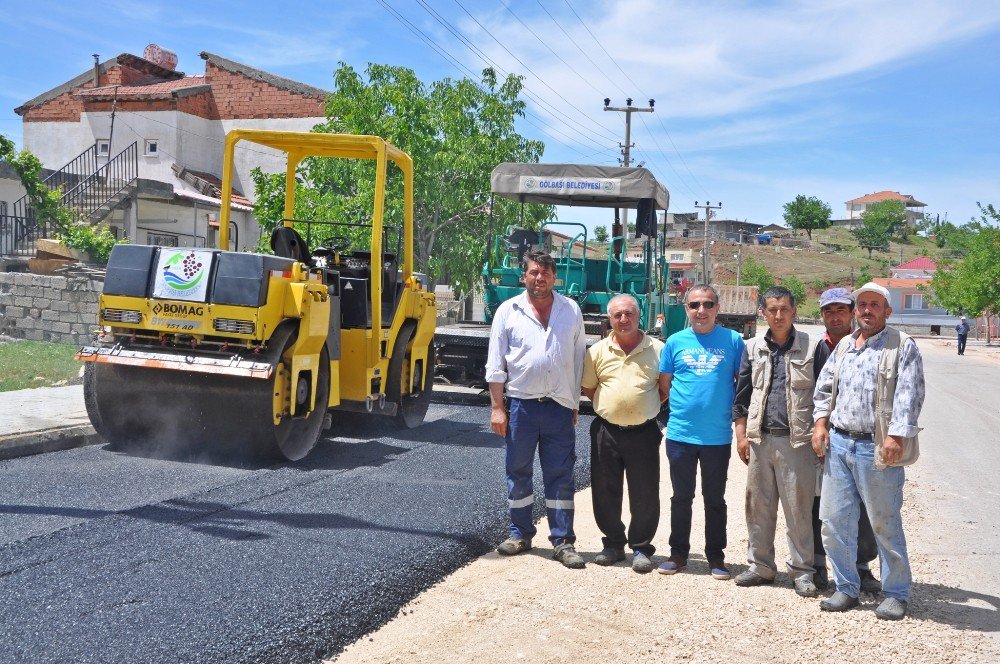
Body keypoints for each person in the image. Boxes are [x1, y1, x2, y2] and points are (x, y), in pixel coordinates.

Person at [813, 282, 925, 620]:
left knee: (884, 522)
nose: (867, 310)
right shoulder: (846, 345)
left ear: (887, 312)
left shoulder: (902, 345)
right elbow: (824, 387)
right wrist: (820, 424)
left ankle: (895, 593)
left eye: (875, 304)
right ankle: (846, 587)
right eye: (862, 304)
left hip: (877, 448)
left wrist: (896, 435)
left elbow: (910, 394)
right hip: (840, 444)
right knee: (834, 521)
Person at [486, 249, 587, 569]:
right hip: (520, 408)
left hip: (558, 406)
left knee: (561, 475)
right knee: (518, 472)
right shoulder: (508, 311)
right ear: (524, 276)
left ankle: (563, 540)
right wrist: (497, 408)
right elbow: (495, 363)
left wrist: (573, 402)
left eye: (545, 272)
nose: (539, 277)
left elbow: (577, 358)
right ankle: (520, 533)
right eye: (533, 272)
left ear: (555, 277)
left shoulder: (570, 310)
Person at [732, 286, 820, 597]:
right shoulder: (753, 346)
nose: (778, 315)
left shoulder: (813, 346)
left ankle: (802, 571)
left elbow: (823, 396)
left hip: (797, 443)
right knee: (758, 507)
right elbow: (742, 395)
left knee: (798, 509)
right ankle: (761, 566)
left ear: (794, 311)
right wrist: (741, 435)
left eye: (784, 309)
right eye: (772, 309)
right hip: (760, 440)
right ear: (763, 313)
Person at [657, 284, 746, 580]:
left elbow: (740, 385)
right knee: (681, 497)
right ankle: (678, 554)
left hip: (717, 437)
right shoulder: (675, 342)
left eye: (708, 304)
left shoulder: (733, 341)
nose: (701, 311)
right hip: (681, 435)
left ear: (717, 308)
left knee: (714, 500)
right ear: (686, 309)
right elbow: (665, 384)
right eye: (694, 305)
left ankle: (716, 558)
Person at [581, 294, 665, 574]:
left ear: (639, 316)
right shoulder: (597, 352)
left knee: (645, 491)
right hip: (606, 430)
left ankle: (641, 547)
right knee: (605, 489)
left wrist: (639, 407)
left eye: (629, 314)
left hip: (644, 433)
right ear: (609, 318)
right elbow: (590, 389)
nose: (623, 320)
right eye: (617, 315)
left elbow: (664, 390)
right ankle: (613, 544)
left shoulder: (658, 349)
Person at [811, 287, 880, 594]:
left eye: (841, 310)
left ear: (852, 312)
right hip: (824, 439)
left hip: (862, 442)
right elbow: (817, 395)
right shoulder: (819, 349)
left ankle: (862, 567)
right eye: (828, 311)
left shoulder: (871, 347)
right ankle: (819, 564)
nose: (834, 316)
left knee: (864, 506)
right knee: (822, 505)